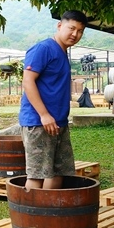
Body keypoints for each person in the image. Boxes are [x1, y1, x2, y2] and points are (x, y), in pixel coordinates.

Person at [18, 10, 87, 189]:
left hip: (58, 123)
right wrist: (44, 115)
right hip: (39, 122)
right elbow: (27, 81)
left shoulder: (62, 52)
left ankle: (49, 214)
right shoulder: (43, 49)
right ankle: (32, 215)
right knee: (37, 175)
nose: (75, 34)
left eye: (80, 31)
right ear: (59, 25)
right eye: (71, 28)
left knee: (59, 172)